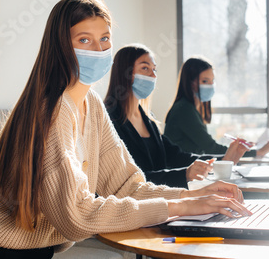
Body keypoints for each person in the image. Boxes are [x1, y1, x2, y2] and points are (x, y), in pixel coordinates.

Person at [0, 0, 251, 259]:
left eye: (105, 39)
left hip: (36, 253)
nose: (98, 50)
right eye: (84, 40)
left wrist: (192, 196)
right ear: (61, 47)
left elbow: (127, 186)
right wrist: (179, 208)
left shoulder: (92, 105)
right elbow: (77, 215)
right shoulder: (52, 111)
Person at [104, 44, 249, 188]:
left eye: (154, 69)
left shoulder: (148, 119)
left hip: (159, 198)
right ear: (125, 73)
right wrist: (184, 174)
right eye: (145, 68)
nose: (153, 75)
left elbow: (177, 156)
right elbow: (129, 180)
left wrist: (223, 160)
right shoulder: (109, 120)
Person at [165, 56, 269, 157]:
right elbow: (212, 148)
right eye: (205, 81)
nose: (210, 86)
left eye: (212, 81)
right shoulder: (184, 110)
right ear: (190, 82)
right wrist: (257, 152)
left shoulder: (191, 108)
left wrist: (245, 149)